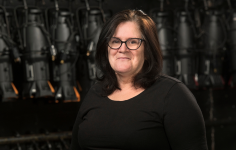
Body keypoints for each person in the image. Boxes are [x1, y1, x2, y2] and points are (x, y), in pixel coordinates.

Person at [71, 9, 208, 150]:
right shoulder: (96, 92)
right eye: (115, 41)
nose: (122, 49)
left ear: (148, 51)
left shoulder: (173, 95)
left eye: (132, 42)